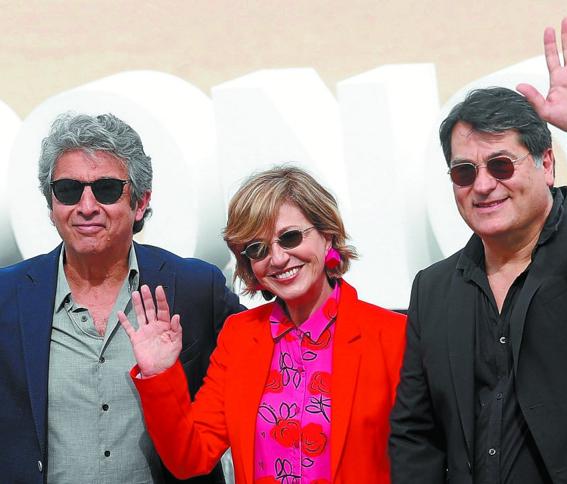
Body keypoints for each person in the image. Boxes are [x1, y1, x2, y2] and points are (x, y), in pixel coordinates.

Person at [390, 17, 567, 484]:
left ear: (547, 163)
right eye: (463, 172)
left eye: (500, 164)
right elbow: (417, 432)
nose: (482, 186)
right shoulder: (433, 289)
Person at [120, 166, 407, 483]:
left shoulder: (393, 335)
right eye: (258, 248)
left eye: (290, 237)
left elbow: (425, 457)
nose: (279, 258)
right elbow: (190, 457)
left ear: (328, 238)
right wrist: (159, 374)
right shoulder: (239, 336)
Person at [0, 113, 243, 484]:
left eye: (107, 189)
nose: (86, 206)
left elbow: (276, 352)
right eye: (68, 189)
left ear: (141, 202)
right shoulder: (8, 296)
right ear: (51, 205)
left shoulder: (195, 288)